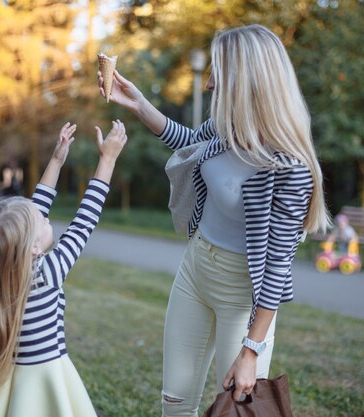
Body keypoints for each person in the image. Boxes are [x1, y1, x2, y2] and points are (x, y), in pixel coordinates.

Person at [98, 24, 330, 416]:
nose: (208, 85)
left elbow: (276, 270)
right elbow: (189, 143)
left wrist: (251, 351)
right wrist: (138, 104)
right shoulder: (227, 128)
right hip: (195, 270)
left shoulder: (290, 169)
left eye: (218, 74)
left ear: (247, 79)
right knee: (174, 402)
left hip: (244, 296)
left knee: (236, 410)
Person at [0, 120, 128, 417]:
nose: (47, 219)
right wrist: (107, 159)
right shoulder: (48, 273)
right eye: (42, 222)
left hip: (16, 381)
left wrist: (56, 160)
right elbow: (84, 221)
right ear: (31, 247)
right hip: (47, 376)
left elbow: (33, 212)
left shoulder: (3, 276)